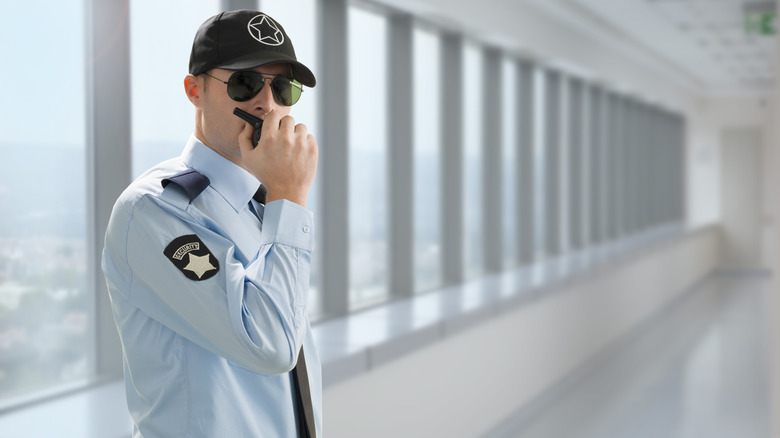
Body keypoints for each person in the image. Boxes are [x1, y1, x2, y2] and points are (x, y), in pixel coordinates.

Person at [102, 10, 321, 438]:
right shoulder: (153, 210)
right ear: (194, 90)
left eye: (282, 86)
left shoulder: (266, 205)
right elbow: (272, 346)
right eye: (245, 82)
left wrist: (282, 198)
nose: (267, 103)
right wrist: (291, 195)